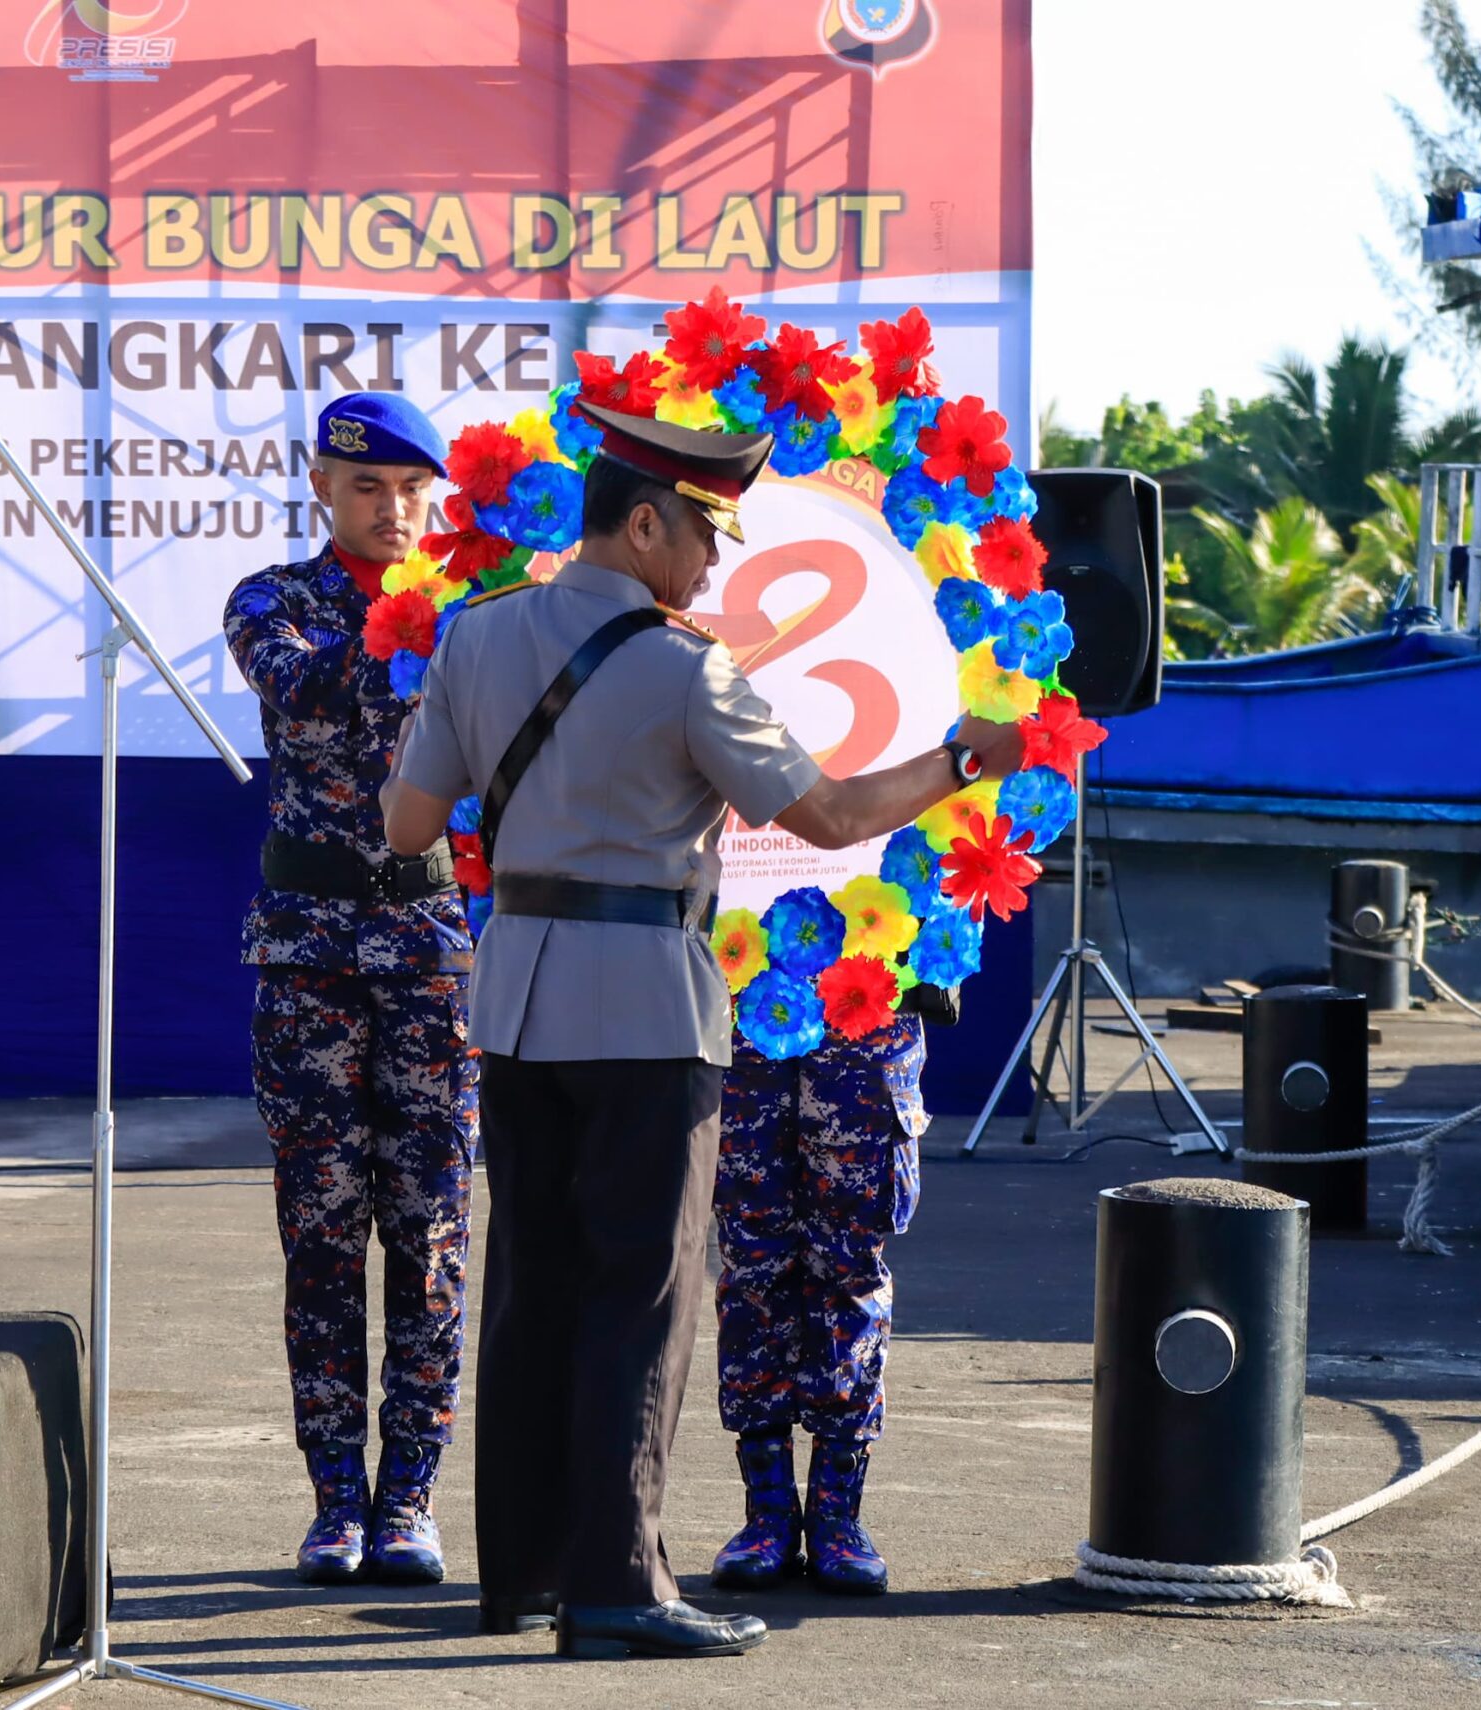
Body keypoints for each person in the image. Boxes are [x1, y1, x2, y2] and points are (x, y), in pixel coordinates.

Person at [380, 401, 1024, 1659]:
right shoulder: (685, 668)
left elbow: (409, 827)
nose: (718, 565)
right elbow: (833, 818)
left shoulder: (477, 635)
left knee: (530, 1290)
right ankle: (619, 1582)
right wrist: (961, 758)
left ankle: (518, 1577)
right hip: (643, 1014)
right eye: (706, 537)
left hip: (512, 1004)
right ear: (642, 524)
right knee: (644, 1295)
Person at [222, 393, 476, 1588]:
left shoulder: (480, 614)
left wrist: (458, 626)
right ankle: (334, 1502)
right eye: (366, 487)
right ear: (321, 487)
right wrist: (420, 636)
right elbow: (307, 693)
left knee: (427, 1238)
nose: (391, 509)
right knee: (320, 1236)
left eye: (412, 490)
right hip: (309, 955)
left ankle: (410, 1499)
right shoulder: (273, 600)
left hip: (429, 952)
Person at [710, 1002, 932, 1596]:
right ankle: (768, 1513)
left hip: (866, 1001)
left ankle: (838, 1516)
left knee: (849, 1271)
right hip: (748, 999)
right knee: (753, 1264)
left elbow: (959, 908)